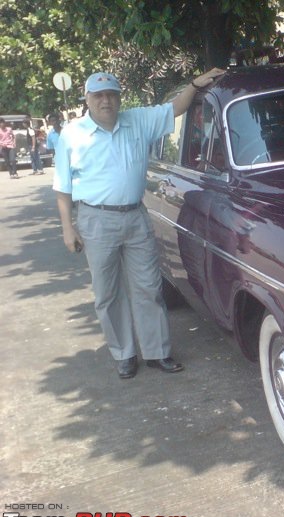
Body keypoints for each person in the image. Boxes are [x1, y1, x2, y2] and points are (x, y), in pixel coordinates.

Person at [52, 67, 225, 379]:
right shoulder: (72, 134)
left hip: (134, 216)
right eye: (99, 95)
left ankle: (157, 352)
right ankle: (124, 354)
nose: (106, 101)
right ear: (88, 99)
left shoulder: (138, 120)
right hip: (95, 218)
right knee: (107, 292)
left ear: (119, 98)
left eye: (111, 95)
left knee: (148, 286)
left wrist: (194, 84)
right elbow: (63, 188)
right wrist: (68, 227)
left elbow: (175, 108)